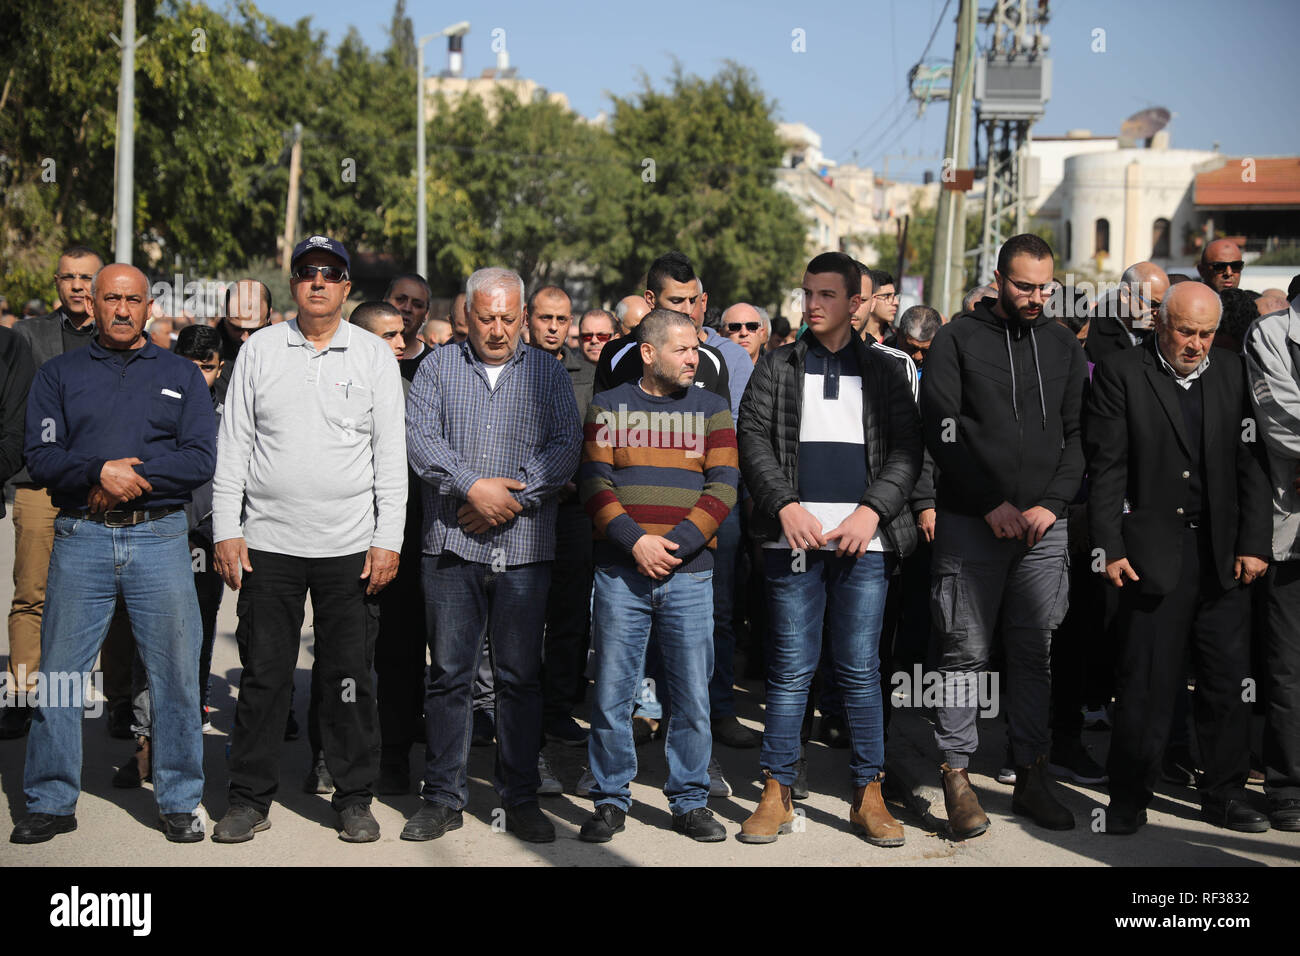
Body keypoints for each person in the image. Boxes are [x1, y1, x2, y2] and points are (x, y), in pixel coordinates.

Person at [211, 235, 407, 844]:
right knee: (265, 676)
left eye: (330, 273)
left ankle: (353, 797)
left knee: (348, 679)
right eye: (306, 272)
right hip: (269, 544)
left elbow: (390, 458)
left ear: (348, 287)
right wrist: (226, 530)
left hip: (350, 548)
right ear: (292, 284)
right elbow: (234, 447)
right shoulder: (262, 351)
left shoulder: (373, 355)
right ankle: (248, 798)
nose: (317, 281)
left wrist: (388, 539)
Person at [11, 263, 216, 845]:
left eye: (133, 300)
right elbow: (42, 456)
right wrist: (97, 472)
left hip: (160, 539)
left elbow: (201, 457)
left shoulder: (182, 374)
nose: (122, 310)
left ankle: (178, 799)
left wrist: (135, 478)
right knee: (58, 674)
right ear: (92, 305)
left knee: (176, 675)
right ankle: (50, 800)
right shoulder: (58, 374)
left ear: (150, 307)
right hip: (81, 535)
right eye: (111, 299)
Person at [736, 251, 922, 847]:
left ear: (855, 302)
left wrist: (872, 513)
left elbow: (908, 451)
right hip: (793, 542)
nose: (812, 305)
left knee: (860, 671)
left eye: (825, 295)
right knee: (790, 671)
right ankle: (776, 790)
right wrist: (785, 505)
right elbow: (753, 437)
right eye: (806, 293)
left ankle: (869, 793)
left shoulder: (887, 371)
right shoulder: (778, 364)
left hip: (864, 545)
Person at [402, 266, 581, 844]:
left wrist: (510, 496)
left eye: (509, 318)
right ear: (468, 315)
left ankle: (521, 796)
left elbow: (564, 449)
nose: (498, 329)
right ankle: (442, 796)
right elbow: (422, 441)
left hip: (525, 549)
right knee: (449, 675)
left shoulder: (549, 378)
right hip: (452, 546)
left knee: (519, 677)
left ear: (523, 317)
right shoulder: (437, 366)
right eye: (487, 318)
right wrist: (472, 487)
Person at [1086, 280, 1272, 834]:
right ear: (1161, 326)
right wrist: (1109, 548)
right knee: (1146, 682)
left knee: (1225, 682)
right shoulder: (1123, 373)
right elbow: (1108, 469)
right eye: (1186, 332)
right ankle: (1128, 796)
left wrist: (1254, 543)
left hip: (1222, 557)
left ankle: (1225, 794)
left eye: (1206, 334)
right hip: (1150, 554)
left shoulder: (1234, 373)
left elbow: (1252, 466)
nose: (1196, 344)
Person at [920, 234, 1086, 838]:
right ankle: (956, 775)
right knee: (963, 652)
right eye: (1024, 286)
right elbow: (941, 430)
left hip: (1045, 530)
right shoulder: (956, 339)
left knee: (1034, 653)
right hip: (971, 523)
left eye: (1045, 286)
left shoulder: (1065, 343)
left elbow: (1077, 436)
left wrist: (1050, 504)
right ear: (997, 278)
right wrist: (990, 503)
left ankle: (1032, 772)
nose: (1036, 296)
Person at [578, 308, 738, 843]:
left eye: (696, 348)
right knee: (613, 694)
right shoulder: (608, 406)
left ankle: (690, 800)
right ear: (649, 353)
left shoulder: (713, 409)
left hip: (690, 575)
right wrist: (635, 542)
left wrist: (675, 546)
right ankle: (609, 799)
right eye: (683, 349)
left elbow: (724, 488)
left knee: (691, 694)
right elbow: (595, 483)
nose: (695, 358)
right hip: (622, 575)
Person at [5, 245, 124, 741]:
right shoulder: (28, 336)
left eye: (86, 278)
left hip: (103, 488)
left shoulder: (119, 334)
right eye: (68, 277)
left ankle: (120, 701)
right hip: (39, 482)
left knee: (117, 597)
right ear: (56, 283)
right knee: (33, 593)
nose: (76, 286)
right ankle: (23, 697)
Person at [112, 324, 228, 787]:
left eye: (208, 367)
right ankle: (145, 742)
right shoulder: (154, 402)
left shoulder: (230, 410)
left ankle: (184, 743)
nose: (198, 376)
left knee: (196, 641)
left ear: (220, 369)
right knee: (149, 643)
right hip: (157, 530)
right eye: (190, 365)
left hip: (209, 535)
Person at [1244, 296, 1300, 831]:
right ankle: (1288, 786)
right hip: (1291, 535)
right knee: (1289, 670)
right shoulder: (1272, 334)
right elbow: (1282, 421)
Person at [1084, 262, 1169, 368]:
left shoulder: (1165, 335)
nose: (1158, 312)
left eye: (1163, 305)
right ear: (1125, 294)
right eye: (1153, 304)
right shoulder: (1088, 331)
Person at [216, 280, 272, 402]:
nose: (245, 338)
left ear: (268, 316)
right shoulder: (208, 352)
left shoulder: (284, 352)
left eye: (254, 330)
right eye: (236, 329)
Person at [385, 273, 432, 378]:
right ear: (385, 301)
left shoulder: (434, 363)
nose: (407, 308)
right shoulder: (364, 352)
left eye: (417, 305)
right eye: (400, 299)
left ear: (426, 314)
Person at [895, 305, 941, 375]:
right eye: (912, 348)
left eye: (925, 351)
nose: (918, 357)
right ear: (899, 334)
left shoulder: (945, 368)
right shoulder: (880, 358)